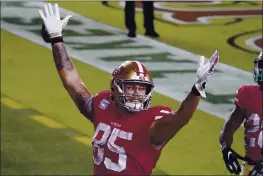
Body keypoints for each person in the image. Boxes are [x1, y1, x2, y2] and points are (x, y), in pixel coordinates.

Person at [38, 3, 219, 175]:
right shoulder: (103, 104)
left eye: (142, 89)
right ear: (115, 89)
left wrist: (196, 89)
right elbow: (72, 82)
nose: (137, 93)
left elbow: (181, 118)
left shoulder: (152, 122)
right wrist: (56, 39)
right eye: (131, 87)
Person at [219, 52, 263, 176]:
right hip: (251, 166)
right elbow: (230, 126)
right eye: (261, 65)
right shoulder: (248, 94)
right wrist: (226, 148)